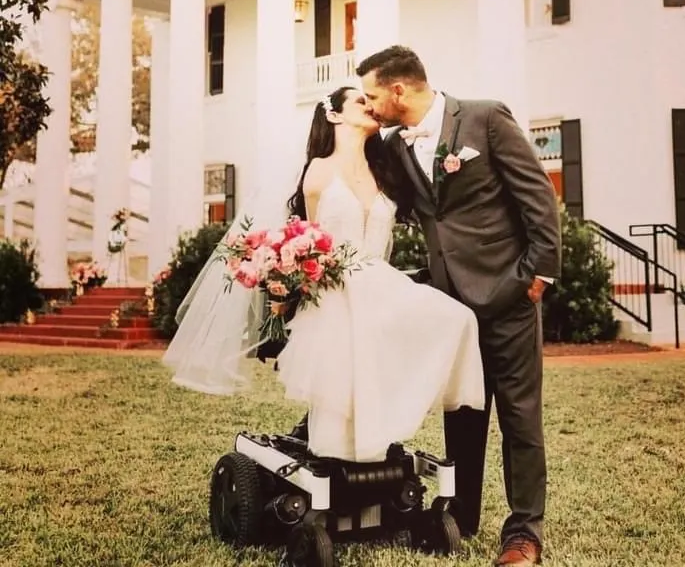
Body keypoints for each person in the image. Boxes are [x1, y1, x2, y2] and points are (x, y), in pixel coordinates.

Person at [163, 85, 485, 464]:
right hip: (338, 290)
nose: (370, 107)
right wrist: (286, 272)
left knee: (459, 319)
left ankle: (392, 429)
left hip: (382, 283)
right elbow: (308, 238)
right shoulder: (318, 172)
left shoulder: (386, 173)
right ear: (334, 115)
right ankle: (338, 466)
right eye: (360, 101)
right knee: (350, 360)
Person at [356, 46, 561, 567]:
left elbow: (538, 198)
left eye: (373, 94)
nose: (370, 103)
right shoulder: (395, 146)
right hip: (451, 307)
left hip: (509, 297)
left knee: (519, 419)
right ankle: (461, 515)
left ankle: (523, 535)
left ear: (398, 89)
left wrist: (535, 278)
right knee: (464, 415)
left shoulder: (485, 118)